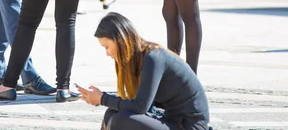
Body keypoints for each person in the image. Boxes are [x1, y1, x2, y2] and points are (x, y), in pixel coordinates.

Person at [78, 12, 210, 130]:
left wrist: (102, 99)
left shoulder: (153, 57)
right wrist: (102, 97)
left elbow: (140, 106)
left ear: (120, 40)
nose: (107, 53)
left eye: (107, 47)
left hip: (189, 125)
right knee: (111, 113)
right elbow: (137, 100)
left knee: (121, 120)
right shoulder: (141, 57)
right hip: (171, 118)